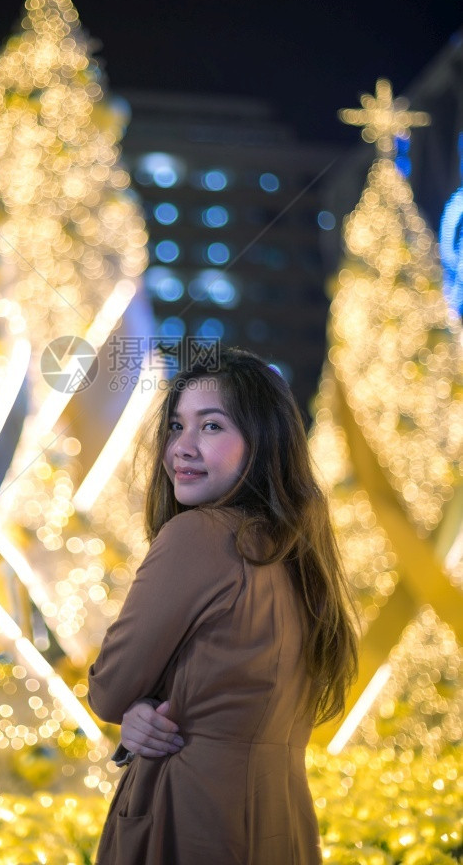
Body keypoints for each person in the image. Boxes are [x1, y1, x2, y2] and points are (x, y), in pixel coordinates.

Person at [87, 346, 359, 865]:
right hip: (282, 825)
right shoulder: (298, 554)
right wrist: (143, 711)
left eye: (211, 427)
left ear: (262, 443)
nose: (181, 448)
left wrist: (131, 703)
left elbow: (108, 689)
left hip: (191, 820)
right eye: (176, 426)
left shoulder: (199, 537)